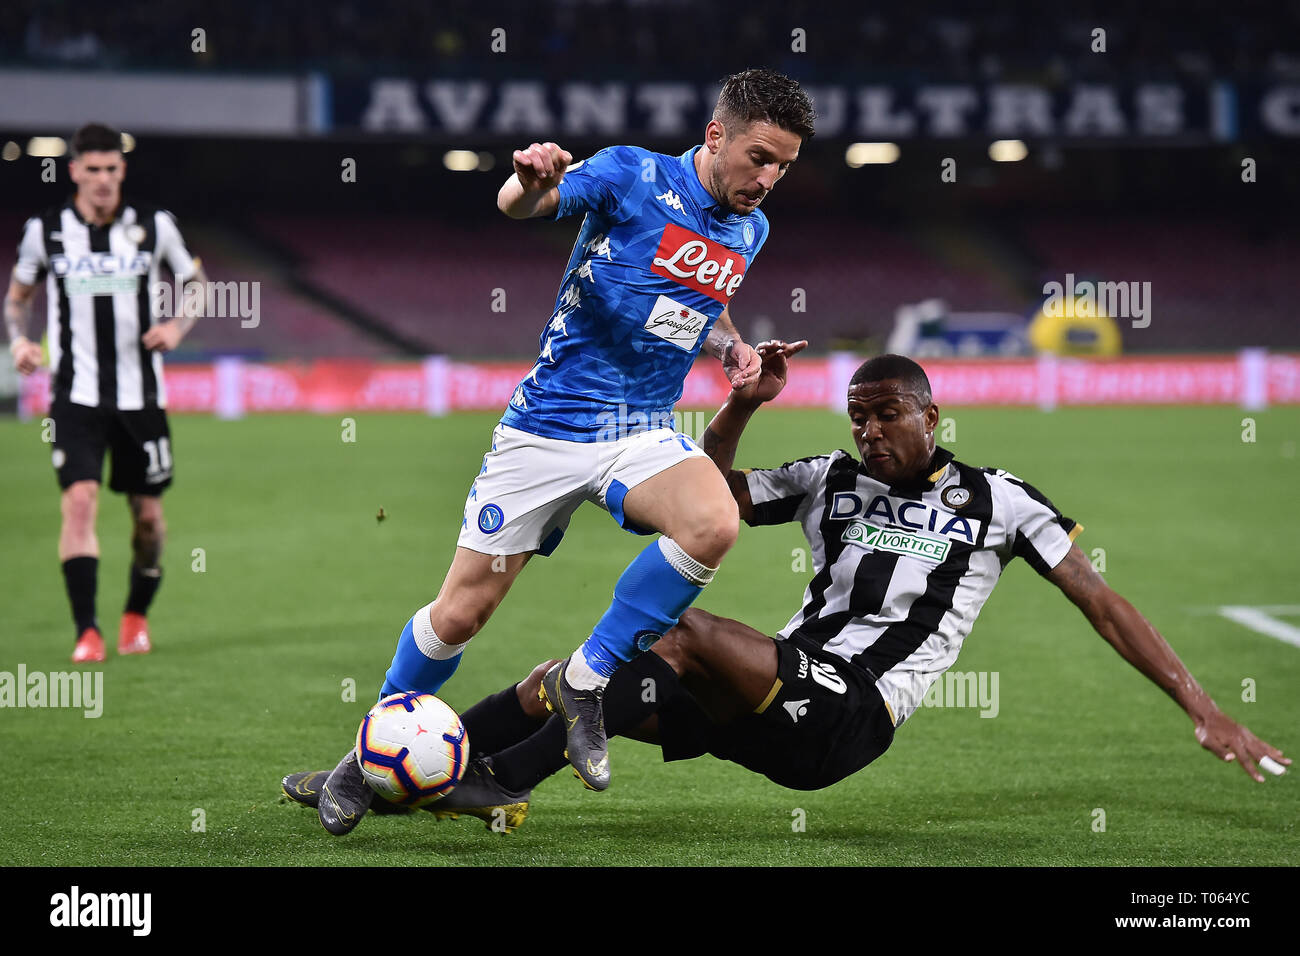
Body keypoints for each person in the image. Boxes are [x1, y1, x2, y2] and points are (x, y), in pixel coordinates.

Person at [284, 347, 1290, 831]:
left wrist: (1205, 710)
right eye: (857, 415)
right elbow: (709, 493)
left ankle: (497, 771)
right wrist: (737, 405)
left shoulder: (1003, 500)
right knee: (562, 676)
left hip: (849, 712)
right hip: (769, 688)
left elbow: (1103, 603)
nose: (867, 431)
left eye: (885, 413)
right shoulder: (825, 476)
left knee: (672, 632)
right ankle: (412, 770)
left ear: (931, 414)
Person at [307, 68, 817, 835]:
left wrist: (733, 347)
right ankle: (364, 756)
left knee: (713, 521)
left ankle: (585, 680)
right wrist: (526, 181)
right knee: (459, 615)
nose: (768, 178)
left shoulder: (751, 228)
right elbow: (528, 204)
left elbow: (701, 302)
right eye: (758, 157)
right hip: (545, 427)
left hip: (638, 426)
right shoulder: (629, 174)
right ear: (715, 136)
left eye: (783, 165)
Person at [5, 122, 207, 663]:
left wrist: (176, 329)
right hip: (75, 396)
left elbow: (196, 284)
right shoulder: (45, 230)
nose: (101, 180)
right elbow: (17, 297)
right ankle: (86, 631)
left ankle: (135, 616)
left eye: (110, 170)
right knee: (79, 500)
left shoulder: (154, 225)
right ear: (73, 170)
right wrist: (20, 341)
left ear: (122, 171)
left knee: (148, 517)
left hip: (142, 398)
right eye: (90, 169)